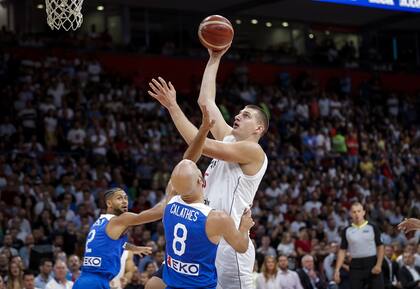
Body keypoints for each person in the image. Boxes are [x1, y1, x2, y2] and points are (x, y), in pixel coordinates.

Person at [148, 46, 268, 289]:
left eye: (246, 115)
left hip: (230, 243)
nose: (238, 115)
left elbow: (199, 143)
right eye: (240, 112)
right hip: (206, 236)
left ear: (258, 129)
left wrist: (173, 106)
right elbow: (206, 101)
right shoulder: (229, 138)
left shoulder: (253, 151)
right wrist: (215, 57)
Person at [161, 106, 255, 289]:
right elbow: (242, 247)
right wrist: (244, 227)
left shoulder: (169, 202)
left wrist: (203, 130)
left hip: (173, 283)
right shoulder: (217, 218)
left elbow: (187, 161)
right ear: (201, 181)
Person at [73, 180, 172, 288]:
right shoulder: (118, 220)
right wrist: (171, 194)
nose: (124, 201)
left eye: (126, 198)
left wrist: (133, 248)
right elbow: (154, 214)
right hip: (94, 282)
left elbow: (107, 243)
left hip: (87, 280)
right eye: (119, 198)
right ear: (109, 203)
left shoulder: (100, 222)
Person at [334, 202, 384, 289]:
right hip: (355, 266)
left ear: (363, 212)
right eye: (354, 212)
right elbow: (342, 250)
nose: (357, 214)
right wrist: (337, 270)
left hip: (372, 263)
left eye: (359, 211)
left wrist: (379, 265)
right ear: (350, 214)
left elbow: (380, 246)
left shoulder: (372, 227)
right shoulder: (346, 230)